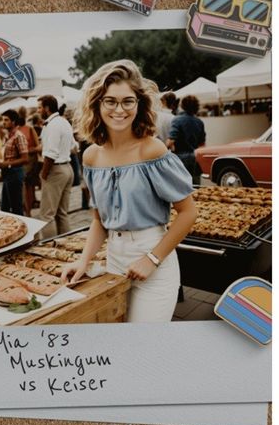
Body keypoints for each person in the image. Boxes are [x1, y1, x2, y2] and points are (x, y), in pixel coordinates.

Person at [62, 60, 197, 323]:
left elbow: (188, 213)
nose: (119, 110)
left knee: (143, 349)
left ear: (139, 104)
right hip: (114, 259)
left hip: (153, 259)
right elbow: (99, 221)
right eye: (110, 101)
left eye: (128, 101)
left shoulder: (152, 150)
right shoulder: (91, 157)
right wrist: (84, 262)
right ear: (97, 104)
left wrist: (151, 259)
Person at [37, 95, 75, 238]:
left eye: (39, 107)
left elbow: (51, 154)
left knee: (47, 214)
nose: (38, 111)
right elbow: (74, 147)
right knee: (62, 213)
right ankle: (68, 243)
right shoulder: (64, 122)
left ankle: (49, 246)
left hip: (56, 169)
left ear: (47, 108)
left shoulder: (53, 125)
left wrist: (44, 174)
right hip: (67, 167)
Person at [166, 95, 206, 186]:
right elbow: (202, 144)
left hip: (180, 159)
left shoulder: (177, 120)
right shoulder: (199, 122)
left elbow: (170, 141)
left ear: (182, 106)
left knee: (181, 188)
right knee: (195, 187)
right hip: (195, 158)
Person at [0, 109, 28, 215]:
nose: (4, 122)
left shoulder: (18, 136)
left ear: (14, 121)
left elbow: (25, 158)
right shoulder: (7, 136)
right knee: (5, 207)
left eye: (6, 120)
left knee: (16, 207)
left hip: (15, 172)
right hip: (7, 172)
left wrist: (6, 163)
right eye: (3, 120)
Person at [23, 111, 43, 216]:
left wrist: (26, 151)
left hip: (32, 163)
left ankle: (29, 211)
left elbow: (38, 147)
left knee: (30, 186)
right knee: (29, 187)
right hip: (26, 164)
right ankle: (28, 210)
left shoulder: (30, 129)